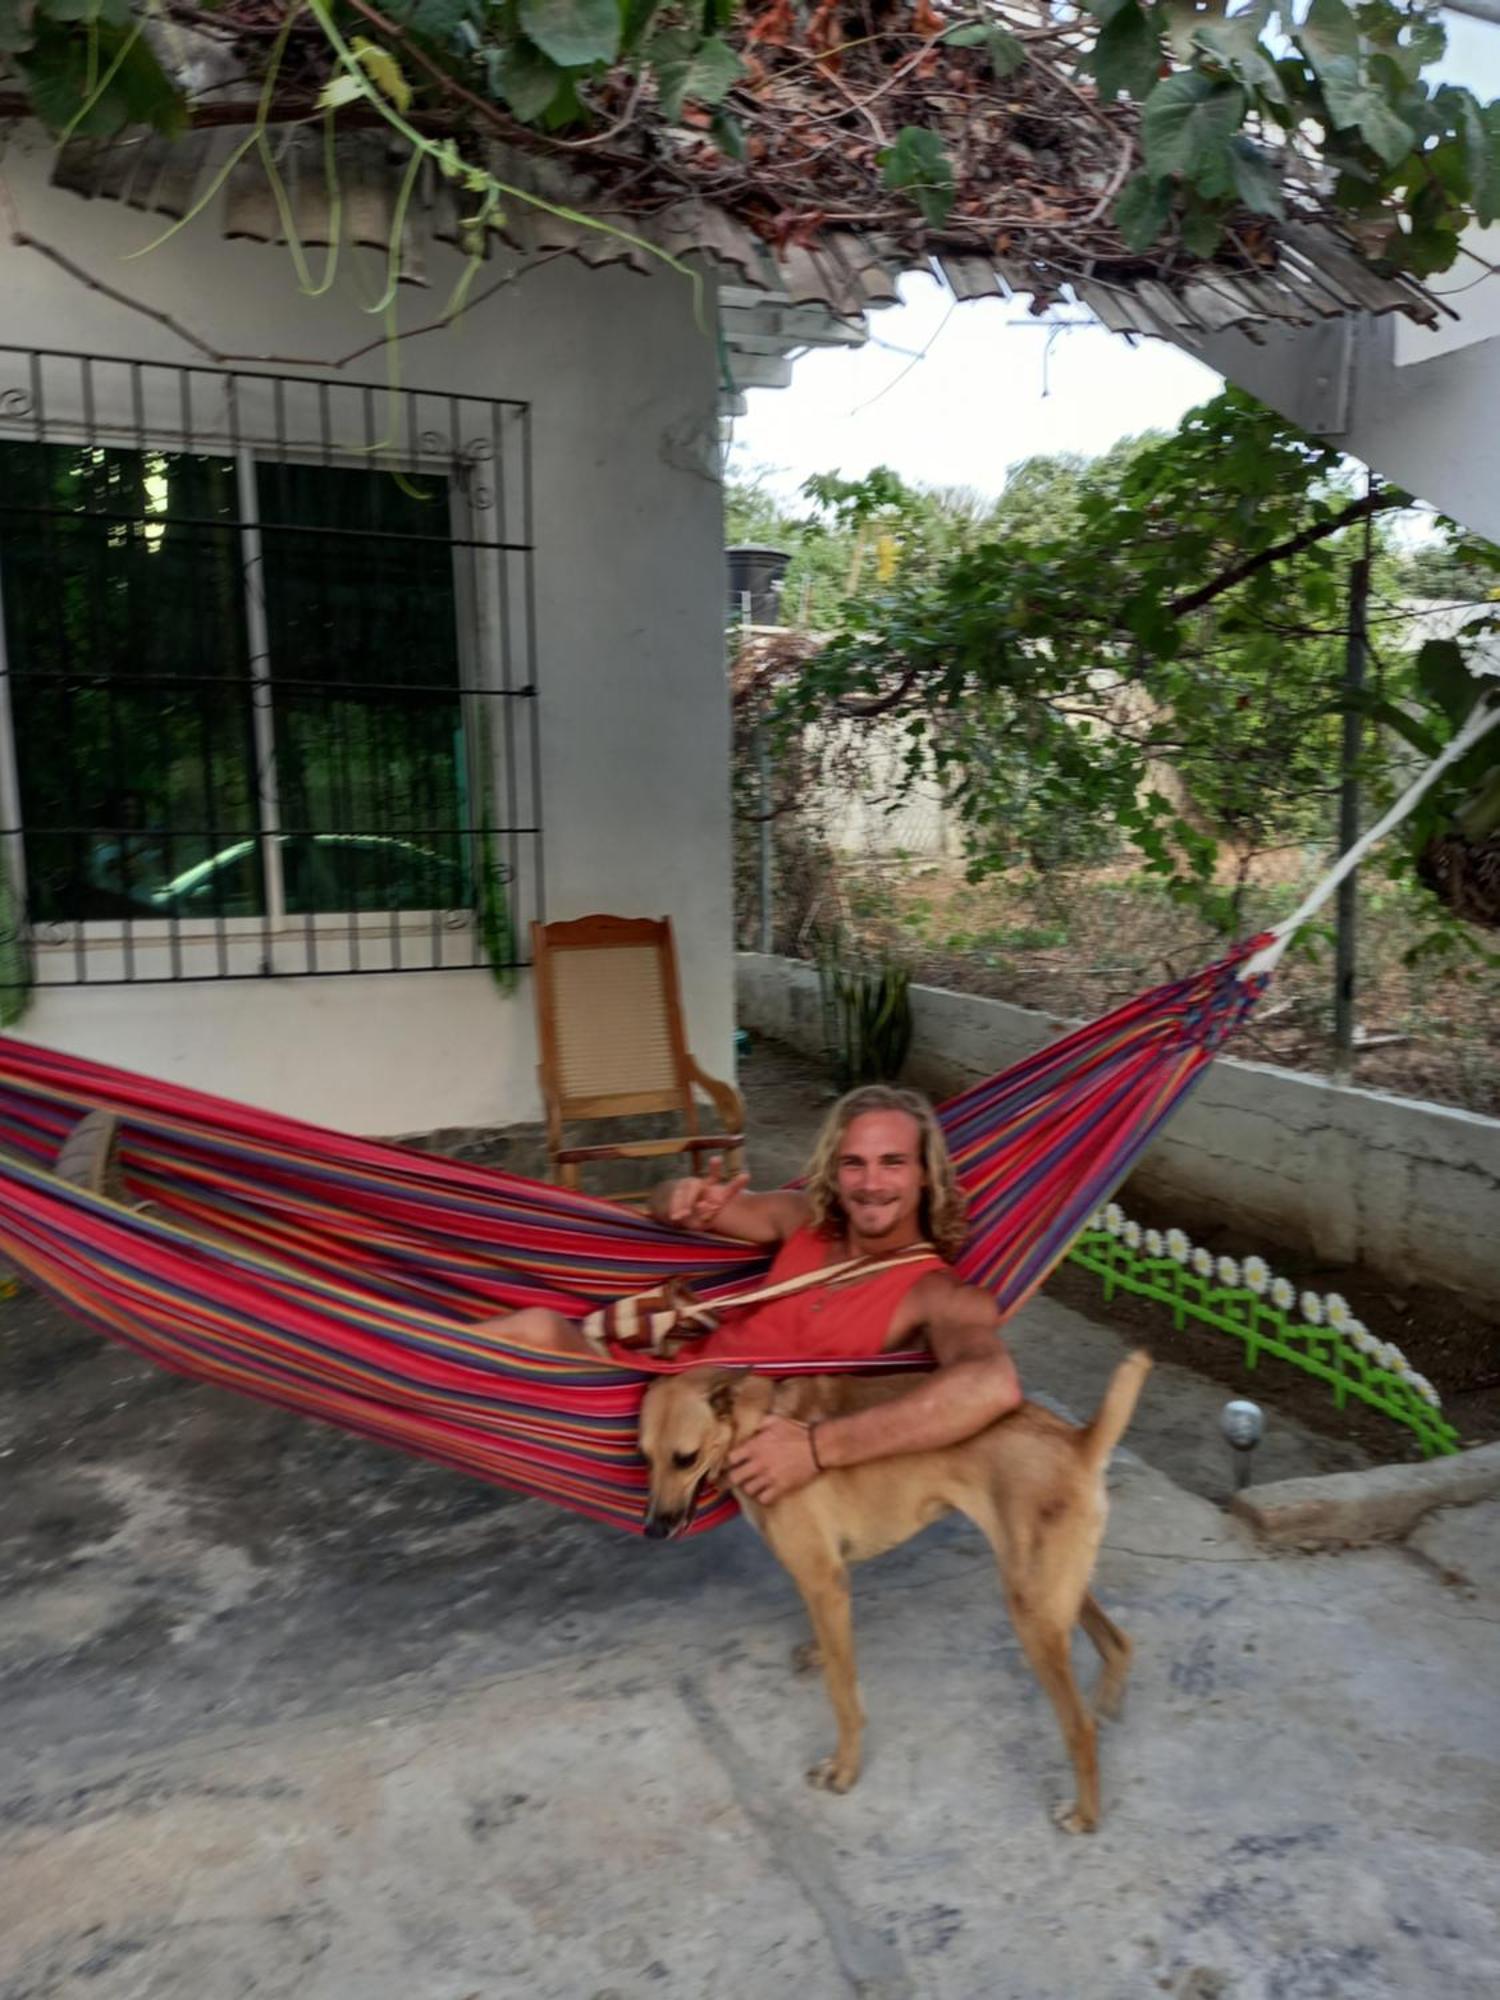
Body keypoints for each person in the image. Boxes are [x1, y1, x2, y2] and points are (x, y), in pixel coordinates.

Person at [481, 1084, 1022, 1507]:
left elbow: (991, 1387)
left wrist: (817, 1448)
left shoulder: (937, 1293)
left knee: (531, 1332)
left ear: (927, 1174)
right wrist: (679, 1199)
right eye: (853, 1163)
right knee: (536, 1329)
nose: (870, 1183)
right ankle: (400, 1353)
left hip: (716, 1434)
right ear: (834, 1172)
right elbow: (673, 1201)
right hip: (647, 1393)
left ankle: (399, 1360)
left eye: (893, 1163)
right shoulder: (801, 1219)